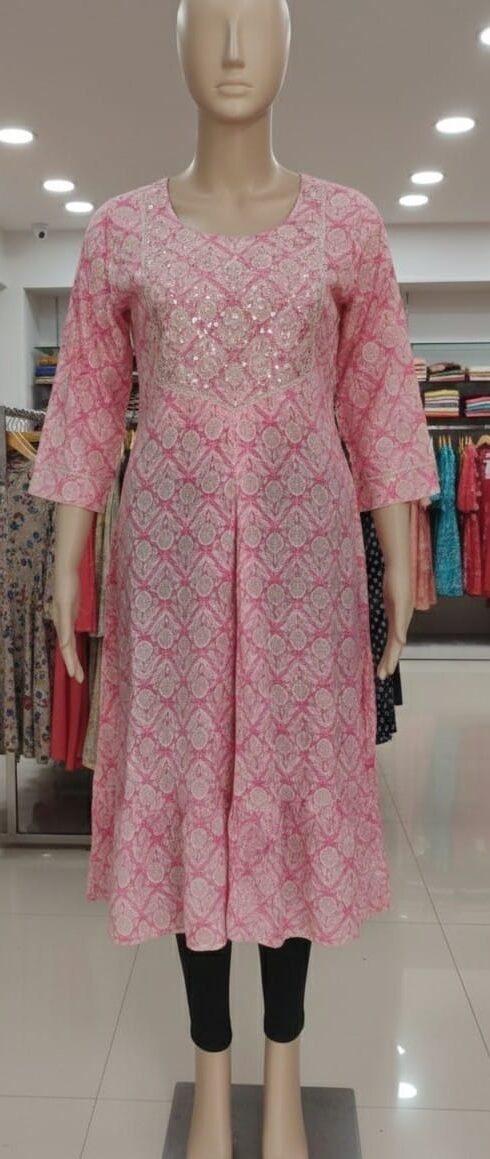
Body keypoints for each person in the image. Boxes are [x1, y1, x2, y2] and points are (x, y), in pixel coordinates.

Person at [28, 2, 439, 1156]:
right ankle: (212, 1080)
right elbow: (87, 402)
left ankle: (283, 1075)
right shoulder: (120, 231)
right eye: (208, 23)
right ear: (176, 48)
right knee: (189, 802)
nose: (232, 48)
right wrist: (68, 557)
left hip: (307, 558)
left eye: (256, 22)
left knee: (287, 799)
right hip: (168, 559)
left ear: (290, 47)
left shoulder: (347, 226)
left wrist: (400, 556)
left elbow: (379, 397)